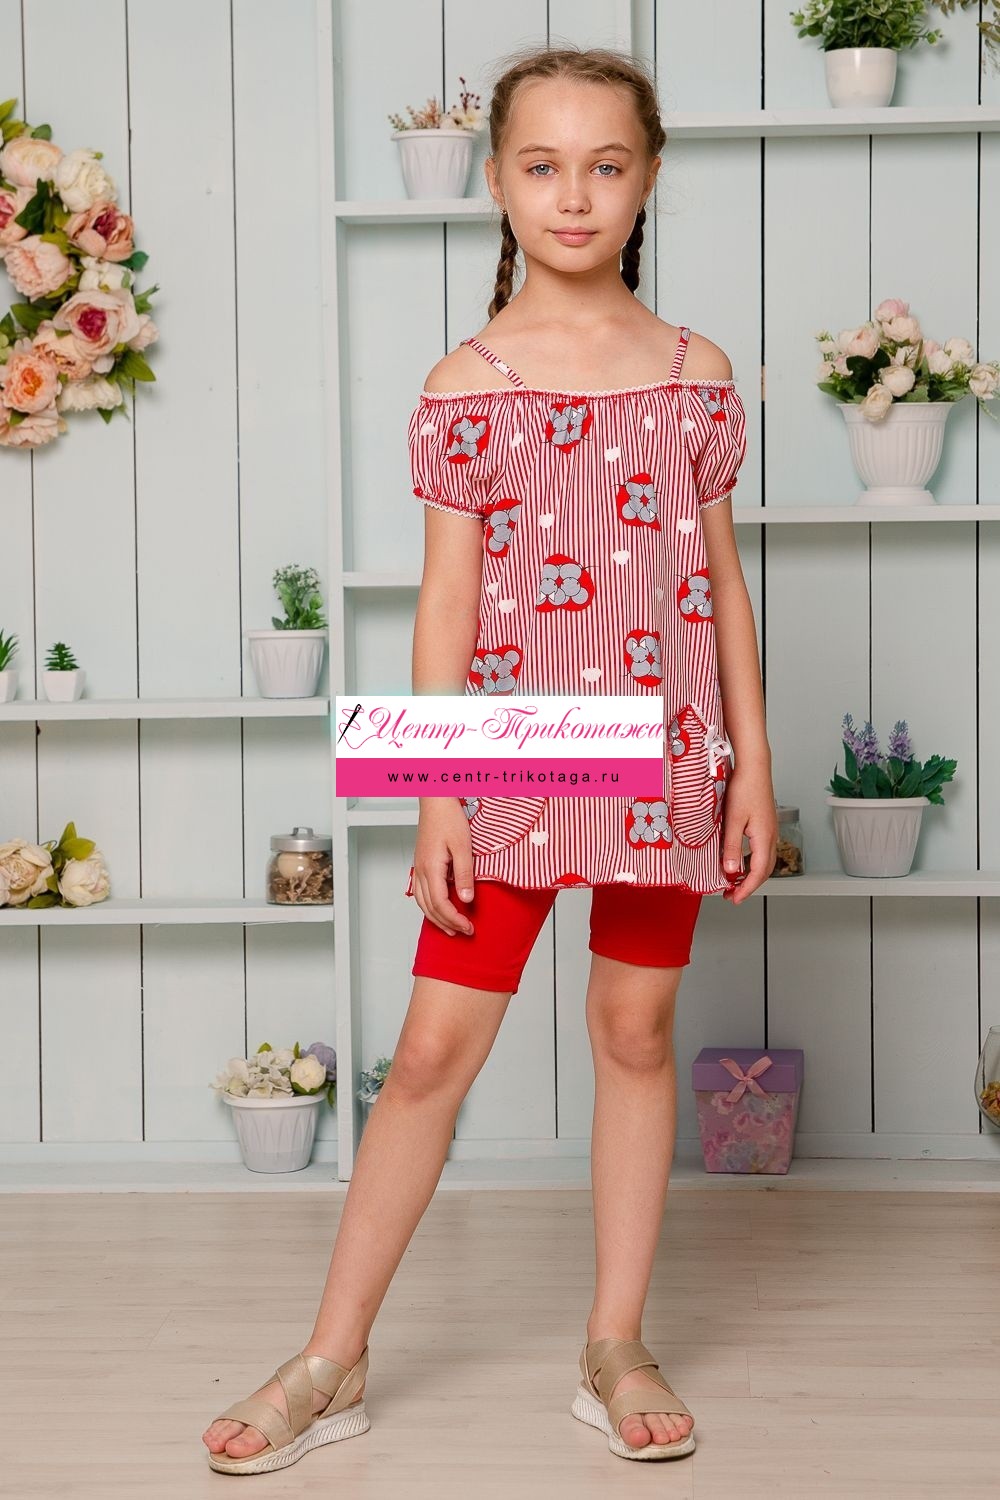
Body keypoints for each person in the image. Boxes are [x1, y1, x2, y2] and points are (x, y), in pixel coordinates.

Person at [202, 43, 777, 1475]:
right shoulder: (467, 383)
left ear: (647, 179)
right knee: (429, 1058)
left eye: (605, 165)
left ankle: (616, 1338)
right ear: (499, 183)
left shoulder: (697, 375)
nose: (573, 196)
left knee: (634, 1032)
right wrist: (435, 790)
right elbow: (445, 602)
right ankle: (331, 1357)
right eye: (541, 165)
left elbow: (720, 584)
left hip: (666, 749)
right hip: (515, 747)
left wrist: (753, 769)